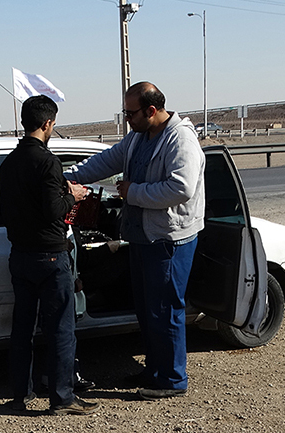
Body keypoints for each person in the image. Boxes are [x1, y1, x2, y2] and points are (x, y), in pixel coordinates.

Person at [64, 81, 205, 400]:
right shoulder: (138, 137)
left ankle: (172, 379)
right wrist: (66, 177)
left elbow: (182, 188)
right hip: (142, 237)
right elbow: (104, 162)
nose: (127, 118)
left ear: (151, 110)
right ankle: (155, 370)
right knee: (148, 309)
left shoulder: (180, 139)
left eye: (130, 113)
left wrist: (134, 192)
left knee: (166, 308)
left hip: (169, 239)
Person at [0, 95, 100, 415]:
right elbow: (53, 210)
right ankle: (62, 398)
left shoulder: (7, 164)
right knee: (60, 328)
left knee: (22, 329)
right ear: (47, 124)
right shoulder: (47, 162)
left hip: (20, 255)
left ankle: (20, 395)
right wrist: (73, 194)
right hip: (51, 257)